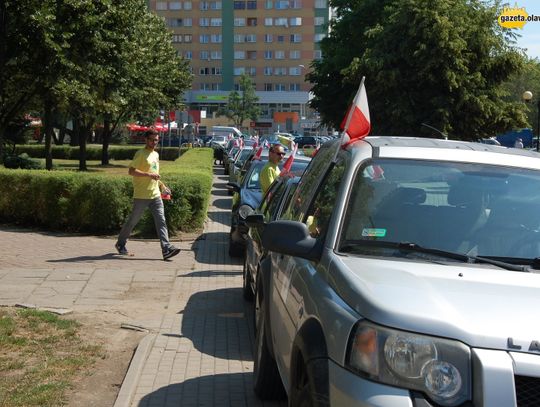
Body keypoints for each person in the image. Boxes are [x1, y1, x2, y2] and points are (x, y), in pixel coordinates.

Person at [115, 129, 181, 261]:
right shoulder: (140, 154)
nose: (154, 142)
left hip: (155, 195)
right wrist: (148, 175)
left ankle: (166, 249)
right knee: (132, 222)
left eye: (156, 140)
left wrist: (162, 186)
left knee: (161, 221)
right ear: (145, 139)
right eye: (151, 139)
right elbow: (131, 171)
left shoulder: (155, 154)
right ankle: (120, 243)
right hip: (141, 195)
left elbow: (154, 174)